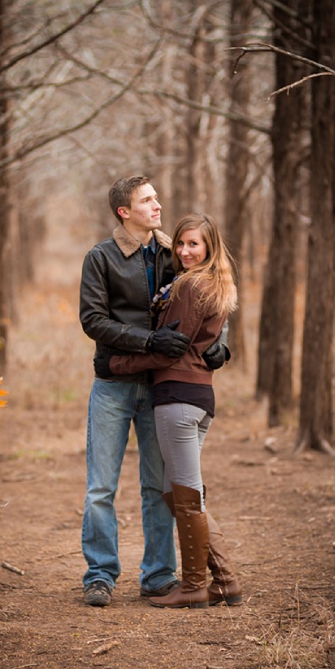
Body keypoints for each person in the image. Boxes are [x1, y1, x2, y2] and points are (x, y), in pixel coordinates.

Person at [79, 176, 228, 607]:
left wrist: (221, 343)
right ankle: (100, 574)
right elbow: (93, 320)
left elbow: (209, 289)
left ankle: (159, 575)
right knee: (100, 487)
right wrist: (146, 341)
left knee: (157, 485)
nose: (157, 204)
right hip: (113, 385)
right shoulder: (101, 258)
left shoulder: (172, 253)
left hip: (162, 389)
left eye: (157, 197)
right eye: (147, 200)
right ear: (125, 211)